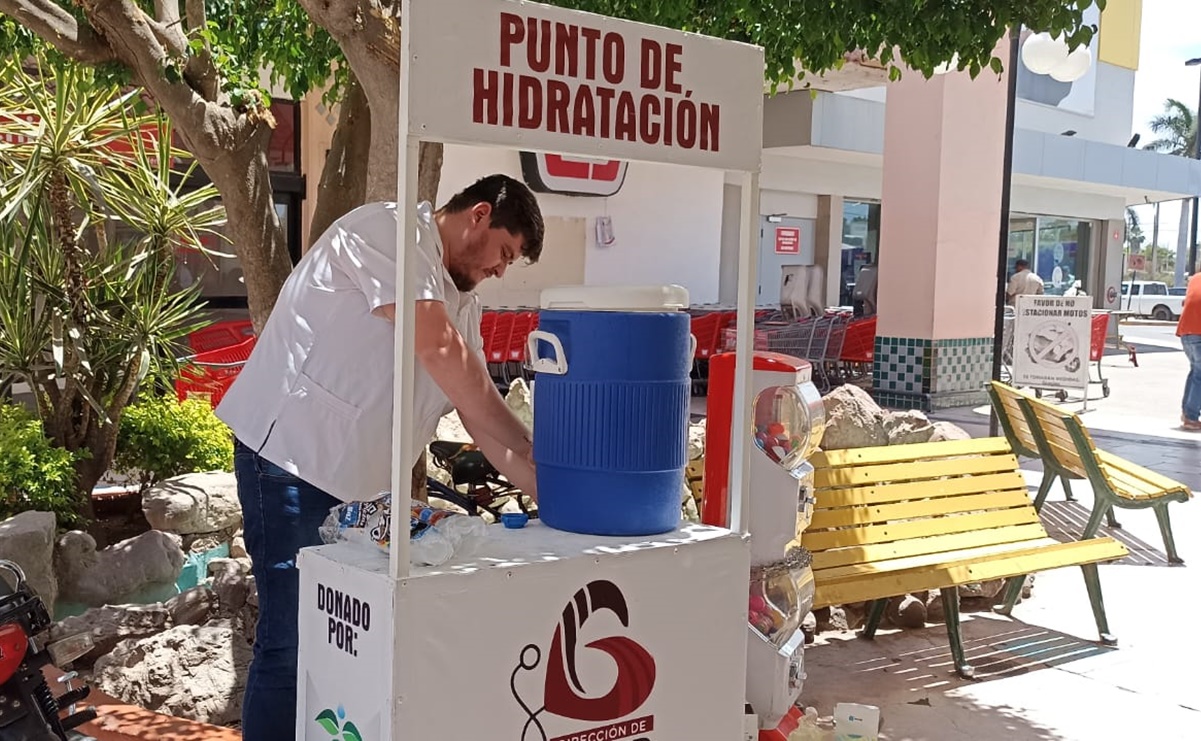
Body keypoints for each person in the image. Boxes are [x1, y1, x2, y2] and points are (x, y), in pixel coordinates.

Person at [215, 174, 545, 739]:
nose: (500, 271)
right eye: (505, 253)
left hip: (359, 492)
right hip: (289, 463)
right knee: (292, 642)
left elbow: (480, 418)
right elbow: (437, 347)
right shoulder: (386, 230)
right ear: (479, 215)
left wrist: (552, 491)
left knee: (348, 644)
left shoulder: (462, 304)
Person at [1176, 272, 1201, 431]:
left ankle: (1187, 414)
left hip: (1186, 332)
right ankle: (1191, 417)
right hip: (1198, 333)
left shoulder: (1195, 278)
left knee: (1196, 372)